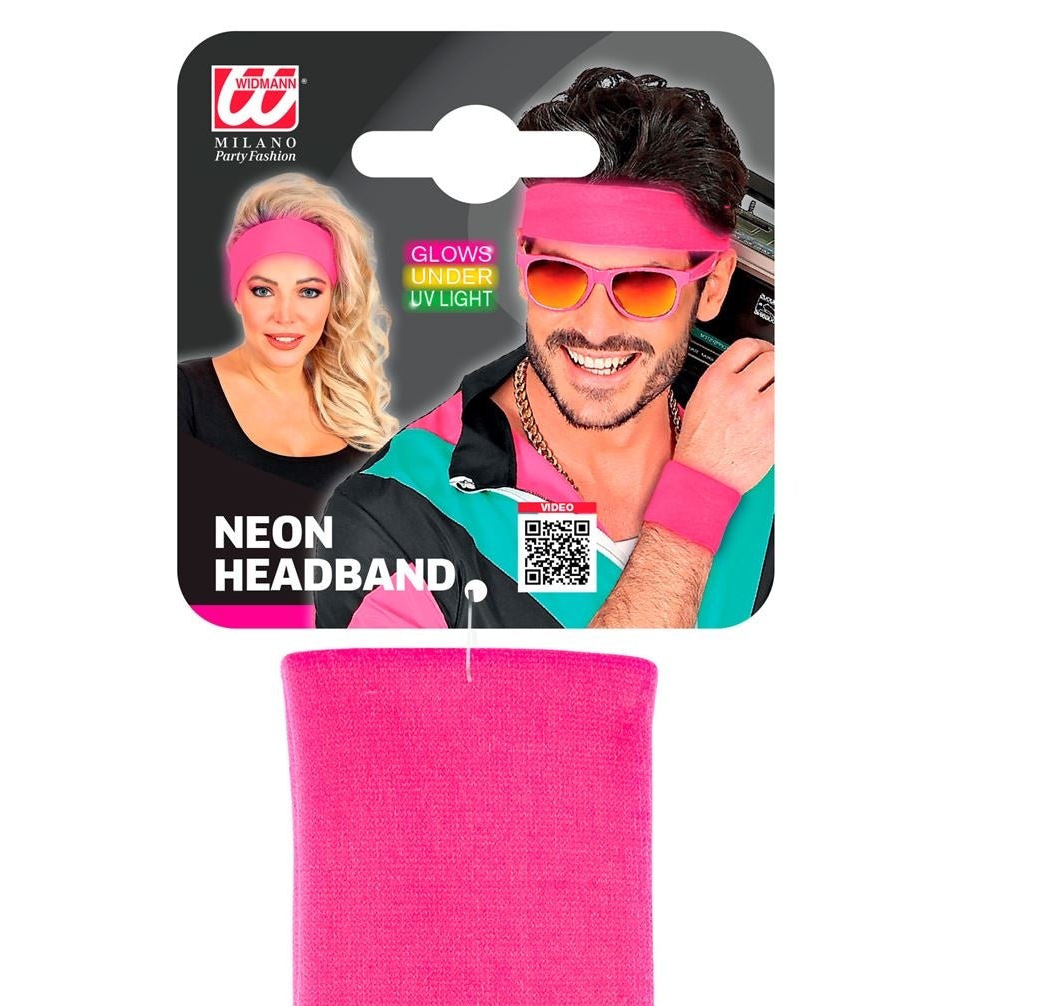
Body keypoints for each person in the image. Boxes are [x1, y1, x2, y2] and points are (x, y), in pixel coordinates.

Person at [310, 69, 774, 631]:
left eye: (644, 285)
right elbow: (613, 688)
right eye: (560, 276)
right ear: (521, 265)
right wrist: (700, 494)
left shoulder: (768, 445)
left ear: (714, 286)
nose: (596, 328)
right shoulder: (396, 521)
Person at [178, 174, 395, 512]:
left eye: (308, 292)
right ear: (237, 295)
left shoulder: (354, 416)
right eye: (263, 290)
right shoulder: (183, 395)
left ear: (332, 300)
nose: (285, 315)